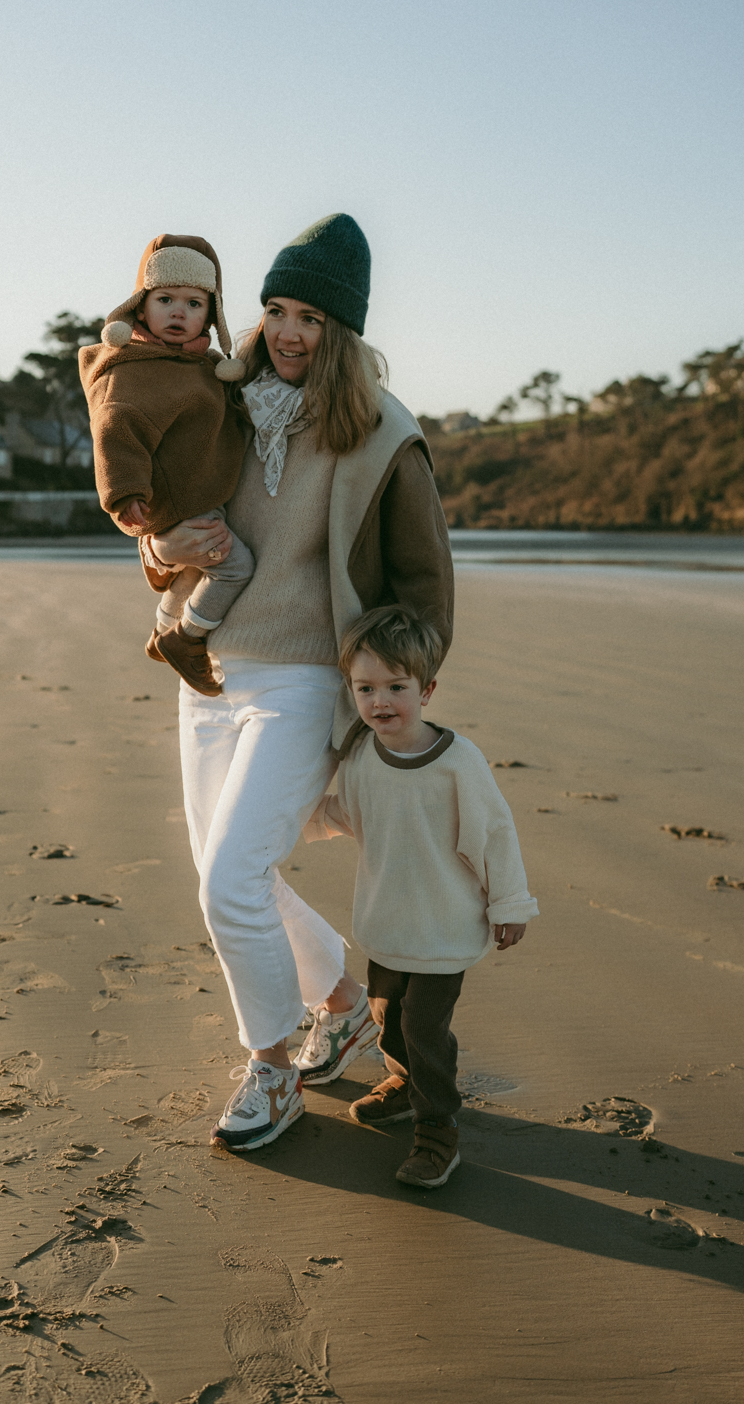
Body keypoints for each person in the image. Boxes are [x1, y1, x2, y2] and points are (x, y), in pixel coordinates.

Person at [140, 213, 456, 1153]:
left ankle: (271, 1068)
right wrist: (158, 550)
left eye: (310, 316)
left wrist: (396, 693)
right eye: (275, 309)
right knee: (230, 871)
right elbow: (167, 522)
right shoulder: (223, 404)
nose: (284, 330)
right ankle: (345, 1007)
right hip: (209, 670)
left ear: (342, 332)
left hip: (306, 680)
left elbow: (426, 589)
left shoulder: (383, 437)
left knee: (232, 880)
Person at [304, 605, 539, 1188]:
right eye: (365, 688)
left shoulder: (458, 764)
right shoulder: (361, 757)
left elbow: (495, 837)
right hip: (387, 923)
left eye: (396, 687)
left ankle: (438, 1131)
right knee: (387, 1021)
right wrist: (291, 823)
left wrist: (509, 905)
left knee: (424, 1030)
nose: (380, 701)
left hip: (444, 927)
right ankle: (406, 1083)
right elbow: (344, 814)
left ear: (427, 689)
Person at [79, 233, 251, 696]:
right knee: (236, 568)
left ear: (211, 316)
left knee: (198, 568)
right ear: (140, 308)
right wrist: (125, 491)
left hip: (195, 495)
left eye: (194, 303)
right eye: (166, 299)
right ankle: (184, 637)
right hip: (179, 499)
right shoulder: (134, 368)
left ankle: (164, 627)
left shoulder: (197, 366)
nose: (179, 311)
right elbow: (116, 426)